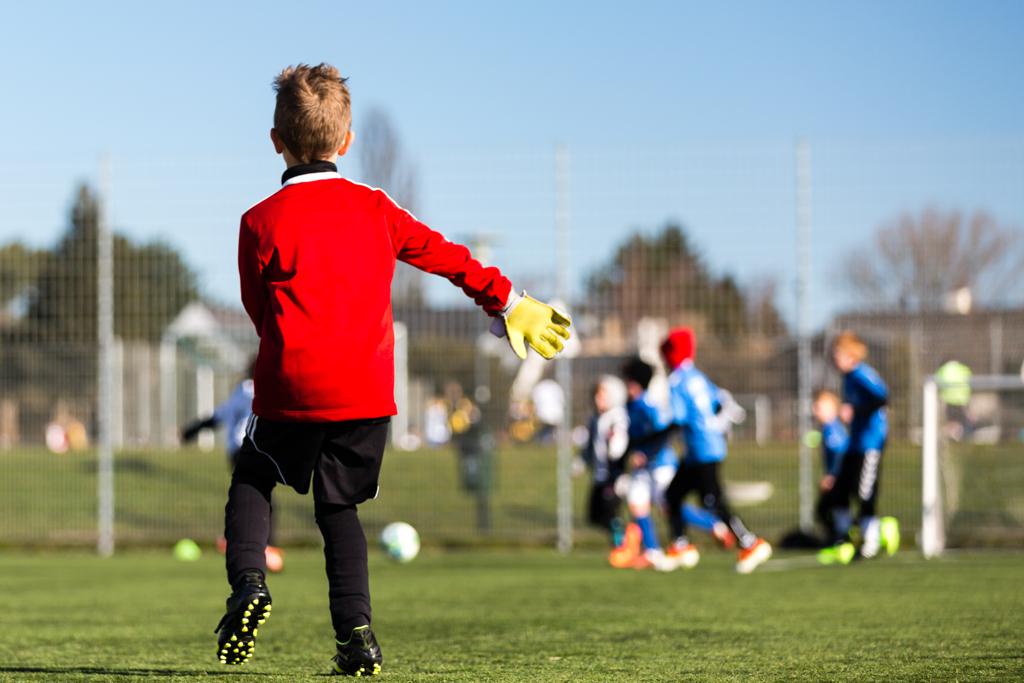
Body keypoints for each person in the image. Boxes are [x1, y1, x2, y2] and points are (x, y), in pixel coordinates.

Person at [216, 63, 571, 675]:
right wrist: (507, 299)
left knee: (252, 476)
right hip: (367, 389)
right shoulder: (375, 208)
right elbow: (446, 257)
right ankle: (357, 637)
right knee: (339, 510)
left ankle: (249, 582)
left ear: (275, 139)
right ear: (346, 141)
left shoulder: (259, 222)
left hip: (293, 383)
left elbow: (257, 309)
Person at [659, 327, 772, 574]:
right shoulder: (697, 376)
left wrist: (657, 438)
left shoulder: (677, 380)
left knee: (713, 502)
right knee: (673, 494)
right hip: (706, 447)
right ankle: (681, 547)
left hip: (702, 449)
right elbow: (719, 401)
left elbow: (678, 418)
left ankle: (751, 543)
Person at [180, 358, 285, 573]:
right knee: (261, 499)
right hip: (246, 448)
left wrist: (193, 430)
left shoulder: (246, 389)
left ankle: (235, 540)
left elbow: (220, 415)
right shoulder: (251, 389)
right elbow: (223, 414)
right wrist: (194, 429)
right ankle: (262, 548)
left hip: (245, 450)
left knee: (253, 497)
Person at [826, 331, 899, 561]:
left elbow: (881, 398)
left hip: (870, 443)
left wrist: (855, 410)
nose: (834, 358)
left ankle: (871, 540)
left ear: (850, 355)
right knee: (839, 491)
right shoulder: (848, 378)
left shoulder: (862, 375)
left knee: (865, 491)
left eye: (838, 353)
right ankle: (843, 538)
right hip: (854, 443)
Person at [580, 376, 631, 549]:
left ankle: (622, 545)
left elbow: (620, 443)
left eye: (602, 395)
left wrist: (615, 446)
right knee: (594, 516)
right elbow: (590, 446)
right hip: (600, 474)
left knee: (611, 512)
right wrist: (581, 462)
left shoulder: (618, 417)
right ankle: (624, 538)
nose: (597, 399)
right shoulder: (595, 419)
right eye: (597, 395)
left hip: (614, 474)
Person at [809, 389, 848, 550]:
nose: (814, 410)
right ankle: (839, 539)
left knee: (824, 510)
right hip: (840, 476)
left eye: (819, 407)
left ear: (832, 409)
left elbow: (840, 452)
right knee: (835, 509)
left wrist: (832, 476)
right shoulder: (828, 428)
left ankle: (839, 540)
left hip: (840, 477)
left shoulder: (832, 430)